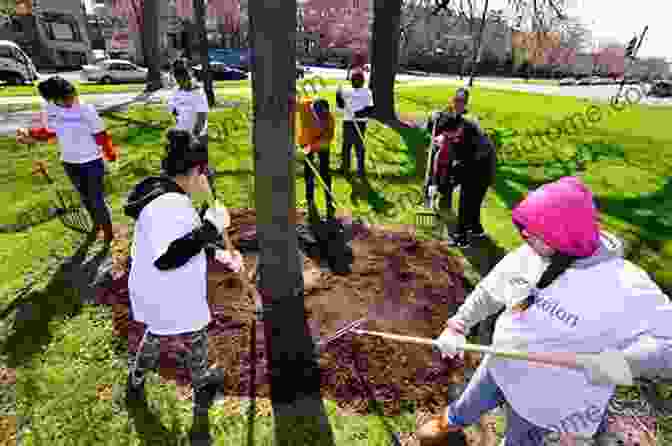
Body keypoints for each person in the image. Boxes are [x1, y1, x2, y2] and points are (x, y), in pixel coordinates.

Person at [416, 176, 671, 446]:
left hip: (545, 401)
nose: (525, 236)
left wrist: (614, 364)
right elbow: (490, 290)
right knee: (465, 407)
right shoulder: (529, 255)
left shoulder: (626, 286)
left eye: (533, 233)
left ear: (564, 236)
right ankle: (450, 425)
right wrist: (458, 325)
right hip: (498, 366)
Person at [123, 130, 243, 445]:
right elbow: (169, 257)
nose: (205, 179)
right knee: (195, 331)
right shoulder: (170, 204)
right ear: (196, 171)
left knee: (158, 331)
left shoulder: (162, 194)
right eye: (204, 172)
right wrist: (212, 227)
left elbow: (181, 241)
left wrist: (218, 252)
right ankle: (202, 383)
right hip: (169, 289)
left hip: (155, 291)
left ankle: (135, 379)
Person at [16, 76, 116, 244]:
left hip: (91, 161)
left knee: (96, 198)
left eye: (72, 96)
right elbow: (49, 132)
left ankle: (108, 232)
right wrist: (30, 135)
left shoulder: (86, 109)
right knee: (84, 197)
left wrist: (109, 152)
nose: (72, 100)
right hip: (69, 162)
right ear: (54, 99)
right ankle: (96, 225)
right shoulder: (50, 109)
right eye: (66, 99)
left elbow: (100, 134)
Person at [428, 112, 496, 247]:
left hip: (480, 169)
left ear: (456, 130)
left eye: (448, 135)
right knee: (474, 203)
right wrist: (434, 116)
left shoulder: (469, 140)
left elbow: (457, 166)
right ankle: (476, 229)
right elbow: (441, 118)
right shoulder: (456, 121)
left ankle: (461, 238)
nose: (446, 137)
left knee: (466, 203)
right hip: (479, 164)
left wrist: (441, 184)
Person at [167, 59, 214, 190]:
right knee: (183, 171)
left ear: (190, 74)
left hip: (197, 138)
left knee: (201, 171)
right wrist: (178, 129)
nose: (182, 80)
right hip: (180, 138)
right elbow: (174, 111)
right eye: (178, 77)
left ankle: (210, 196)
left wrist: (193, 137)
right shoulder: (175, 92)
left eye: (184, 76)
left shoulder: (198, 93)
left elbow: (202, 118)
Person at [296, 97, 336, 220]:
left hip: (320, 143)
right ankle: (310, 200)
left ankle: (329, 201)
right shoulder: (305, 108)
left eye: (324, 113)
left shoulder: (329, 119)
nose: (321, 116)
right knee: (308, 172)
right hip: (306, 141)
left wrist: (310, 148)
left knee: (324, 171)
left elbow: (326, 140)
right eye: (318, 113)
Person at [336, 68, 374, 178]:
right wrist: (338, 96)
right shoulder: (347, 90)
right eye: (353, 80)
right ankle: (345, 167)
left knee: (359, 146)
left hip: (360, 123)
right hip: (348, 122)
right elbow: (341, 105)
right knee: (346, 146)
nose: (355, 82)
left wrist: (357, 114)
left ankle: (360, 170)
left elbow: (369, 109)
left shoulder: (367, 92)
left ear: (362, 81)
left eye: (357, 80)